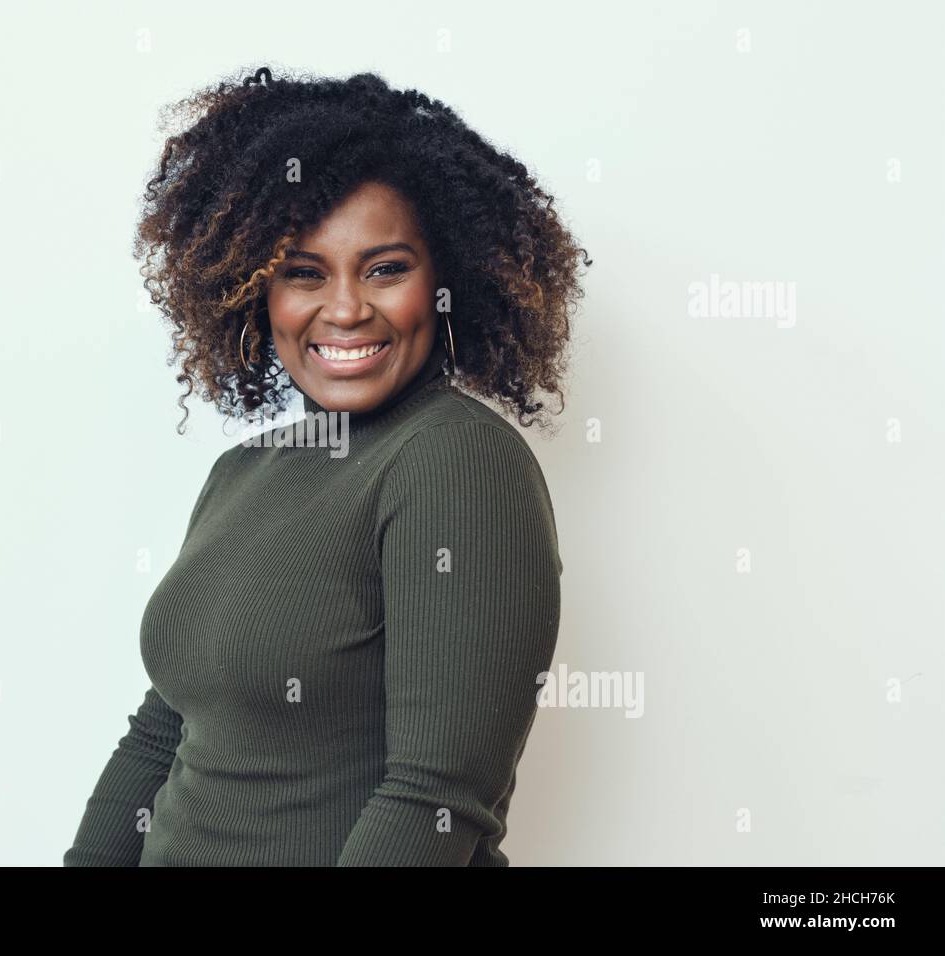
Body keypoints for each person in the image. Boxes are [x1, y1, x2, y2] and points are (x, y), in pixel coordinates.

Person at [63, 65, 590, 866]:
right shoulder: (244, 472)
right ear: (253, 291)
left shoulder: (455, 461)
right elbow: (162, 733)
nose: (345, 308)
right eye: (303, 273)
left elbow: (436, 800)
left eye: (385, 268)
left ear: (446, 281)